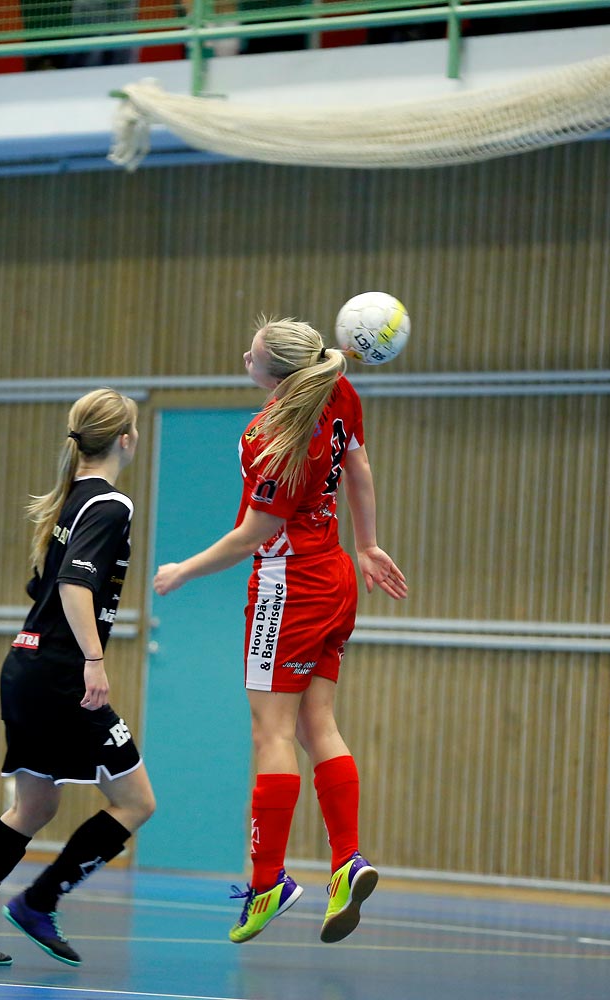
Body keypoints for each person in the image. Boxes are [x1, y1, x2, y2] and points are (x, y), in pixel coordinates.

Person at [153, 317, 407, 944]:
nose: (245, 354)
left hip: (287, 589)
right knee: (318, 724)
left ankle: (268, 883)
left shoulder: (270, 437)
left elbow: (253, 535)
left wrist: (182, 571)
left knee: (272, 732)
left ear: (278, 374)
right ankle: (347, 861)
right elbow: (360, 468)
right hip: (338, 578)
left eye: (255, 353)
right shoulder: (339, 393)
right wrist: (368, 544)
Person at [0, 388, 156, 967]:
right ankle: (39, 900)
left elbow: (42, 588)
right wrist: (94, 662)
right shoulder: (110, 505)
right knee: (135, 801)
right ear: (126, 440)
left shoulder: (66, 500)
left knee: (34, 808)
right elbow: (75, 586)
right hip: (59, 675)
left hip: (26, 666)